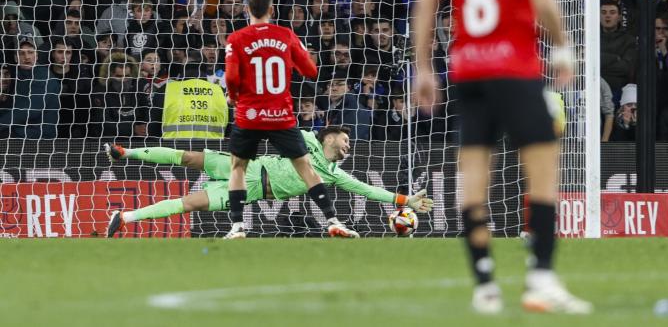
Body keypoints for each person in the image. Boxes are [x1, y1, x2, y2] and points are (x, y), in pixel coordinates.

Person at [413, 0, 591, 315]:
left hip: (468, 70)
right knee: (543, 168)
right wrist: (563, 46)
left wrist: (423, 67)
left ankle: (485, 286)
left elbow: (426, 5)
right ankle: (541, 279)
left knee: (474, 177)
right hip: (514, 68)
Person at [104, 126, 434, 238]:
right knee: (187, 157)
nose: (348, 146)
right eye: (346, 140)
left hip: (249, 190)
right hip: (246, 164)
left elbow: (367, 189)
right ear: (330, 136)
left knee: (189, 204)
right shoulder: (306, 138)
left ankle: (125, 217)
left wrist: (405, 201)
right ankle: (125, 152)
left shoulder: (334, 174)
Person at [224, 0, 357, 239]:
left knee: (238, 167)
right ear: (272, 10)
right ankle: (333, 221)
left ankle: (238, 226)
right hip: (280, 115)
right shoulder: (286, 35)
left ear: (247, 9)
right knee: (306, 167)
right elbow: (310, 71)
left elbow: (231, 77)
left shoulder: (236, 38)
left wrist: (233, 96)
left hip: (249, 114)